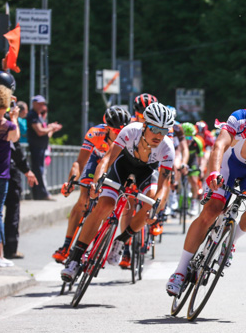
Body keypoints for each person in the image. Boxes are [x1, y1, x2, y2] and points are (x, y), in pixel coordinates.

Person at [166, 88, 246, 296]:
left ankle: (230, 240)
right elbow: (219, 145)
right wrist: (214, 171)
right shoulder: (240, 118)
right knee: (212, 210)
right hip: (227, 164)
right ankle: (180, 272)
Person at [60, 102, 176, 282]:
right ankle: (75, 258)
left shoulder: (167, 147)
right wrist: (98, 181)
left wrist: (156, 206)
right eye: (154, 129)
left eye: (164, 131)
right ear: (145, 124)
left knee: (152, 201)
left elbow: (163, 185)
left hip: (147, 171)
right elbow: (107, 160)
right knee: (105, 205)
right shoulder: (130, 131)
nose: (159, 135)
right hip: (121, 165)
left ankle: (122, 239)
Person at [51, 106, 132, 263]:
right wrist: (70, 181)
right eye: (115, 129)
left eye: (121, 129)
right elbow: (80, 162)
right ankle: (66, 246)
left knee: (106, 204)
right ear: (107, 127)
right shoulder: (95, 133)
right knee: (84, 198)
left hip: (115, 166)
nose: (118, 132)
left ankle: (95, 244)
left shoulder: (129, 137)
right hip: (95, 163)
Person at [0, 84, 21, 267]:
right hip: (2, 175)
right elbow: (15, 138)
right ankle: (0, 255)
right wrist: (13, 117)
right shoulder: (8, 126)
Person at [26, 95, 62, 200]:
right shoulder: (32, 115)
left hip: (41, 148)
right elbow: (40, 131)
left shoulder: (38, 116)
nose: (42, 106)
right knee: (38, 171)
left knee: (40, 171)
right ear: (34, 103)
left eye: (43, 104)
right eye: (40, 104)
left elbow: (45, 134)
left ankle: (39, 195)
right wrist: (51, 127)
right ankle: (42, 194)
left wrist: (52, 129)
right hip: (36, 148)